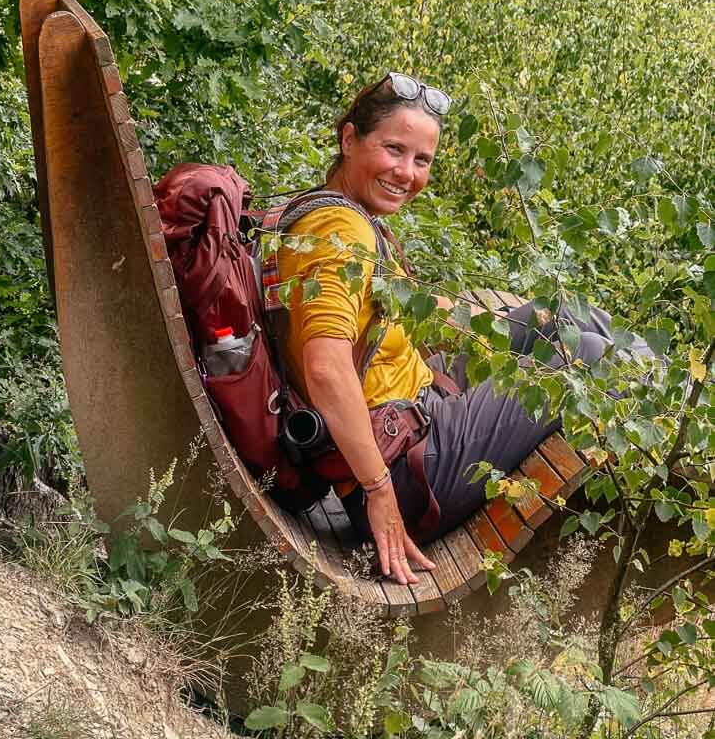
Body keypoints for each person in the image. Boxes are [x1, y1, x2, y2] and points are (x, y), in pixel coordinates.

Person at [276, 73, 648, 586]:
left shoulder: (338, 211)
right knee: (585, 354)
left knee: (562, 315)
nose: (407, 173)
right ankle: (681, 441)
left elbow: (409, 306)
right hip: (403, 469)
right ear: (349, 139)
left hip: (413, 413)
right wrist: (379, 490)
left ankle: (679, 408)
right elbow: (325, 367)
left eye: (421, 159)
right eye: (394, 150)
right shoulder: (339, 231)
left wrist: (493, 323)